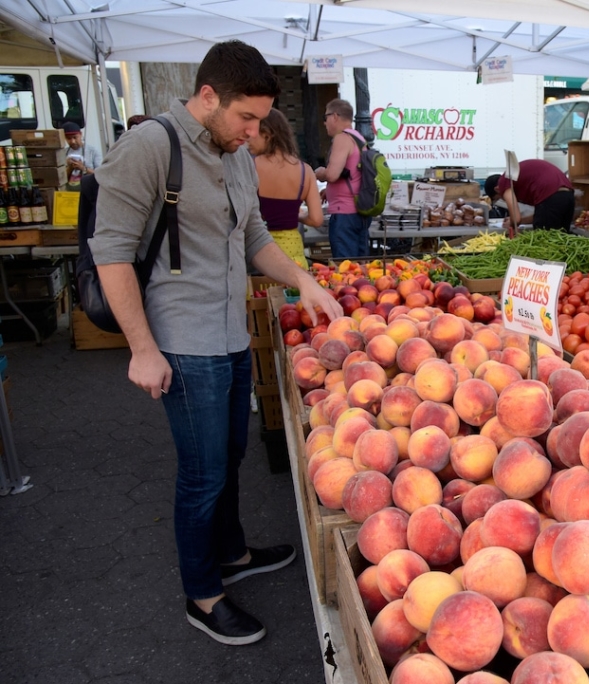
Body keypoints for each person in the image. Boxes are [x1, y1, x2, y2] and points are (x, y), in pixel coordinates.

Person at [90, 39, 343, 646]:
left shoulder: (234, 153)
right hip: (182, 339)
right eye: (246, 117)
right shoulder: (151, 146)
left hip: (230, 330)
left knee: (229, 454)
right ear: (207, 97)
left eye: (261, 119)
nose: (255, 132)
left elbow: (254, 235)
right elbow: (111, 250)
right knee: (202, 473)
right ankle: (202, 595)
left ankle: (231, 552)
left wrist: (302, 279)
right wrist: (142, 350)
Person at [248, 108, 323, 267]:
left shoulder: (250, 166)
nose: (248, 138)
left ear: (267, 135)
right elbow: (316, 219)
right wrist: (296, 216)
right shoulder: (306, 171)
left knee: (262, 291)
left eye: (253, 132)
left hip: (259, 248)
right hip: (293, 252)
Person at [315, 99, 370, 258]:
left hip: (345, 214)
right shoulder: (359, 139)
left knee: (346, 268)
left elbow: (332, 174)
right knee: (360, 266)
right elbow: (353, 175)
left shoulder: (342, 138)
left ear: (335, 116)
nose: (325, 123)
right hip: (360, 212)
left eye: (325, 118)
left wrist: (320, 172)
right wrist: (331, 191)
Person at [484, 159, 574, 231]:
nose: (505, 200)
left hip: (551, 195)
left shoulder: (504, 181)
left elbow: (516, 219)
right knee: (562, 237)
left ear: (497, 189)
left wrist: (511, 222)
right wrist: (520, 220)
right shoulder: (520, 180)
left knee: (544, 243)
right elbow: (541, 213)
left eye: (501, 198)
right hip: (568, 196)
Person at [62, 121, 103, 187]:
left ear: (80, 134)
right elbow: (61, 179)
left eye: (75, 137)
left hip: (89, 189)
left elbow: (101, 174)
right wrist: (70, 168)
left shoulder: (93, 151)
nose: (72, 141)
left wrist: (83, 168)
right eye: (69, 138)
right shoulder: (63, 153)